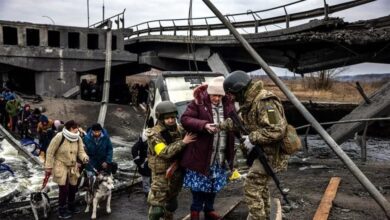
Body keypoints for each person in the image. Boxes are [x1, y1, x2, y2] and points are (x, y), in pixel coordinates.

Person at [223, 70, 289, 220]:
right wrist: (217, 126)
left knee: (251, 186)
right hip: (263, 152)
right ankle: (264, 216)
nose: (231, 97)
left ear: (240, 89)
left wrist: (252, 138)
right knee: (261, 188)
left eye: (232, 94)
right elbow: (238, 122)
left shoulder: (265, 101)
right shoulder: (249, 103)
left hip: (273, 154)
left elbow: (276, 130)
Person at [180, 76, 236, 220]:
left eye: (219, 95)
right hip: (201, 155)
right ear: (209, 93)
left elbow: (236, 122)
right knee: (199, 187)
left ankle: (209, 209)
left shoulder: (229, 105)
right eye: (214, 95)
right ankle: (195, 211)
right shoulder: (198, 103)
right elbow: (185, 119)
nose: (217, 98)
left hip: (220, 155)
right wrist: (203, 125)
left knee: (214, 185)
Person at [145, 101, 196, 220]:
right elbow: (164, 153)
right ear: (161, 118)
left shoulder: (180, 130)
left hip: (177, 172)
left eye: (173, 117)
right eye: (167, 118)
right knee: (157, 208)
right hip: (161, 175)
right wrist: (183, 142)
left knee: (172, 204)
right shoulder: (154, 134)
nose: (171, 120)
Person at [45, 120, 89, 219]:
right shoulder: (59, 136)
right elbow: (50, 152)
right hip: (61, 165)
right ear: (70, 128)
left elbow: (81, 151)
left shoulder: (78, 138)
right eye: (75, 128)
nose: (77, 130)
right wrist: (48, 166)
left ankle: (71, 206)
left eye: (77, 127)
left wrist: (84, 158)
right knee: (64, 189)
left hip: (73, 166)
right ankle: (62, 210)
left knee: (73, 187)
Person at [131, 131, 151, 197]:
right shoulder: (142, 140)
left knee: (151, 178)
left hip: (154, 162)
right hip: (144, 162)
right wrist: (137, 160)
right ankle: (147, 193)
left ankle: (151, 192)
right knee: (146, 178)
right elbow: (134, 149)